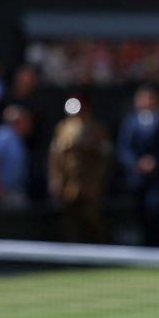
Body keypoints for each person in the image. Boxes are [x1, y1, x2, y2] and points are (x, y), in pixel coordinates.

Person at [117, 85, 159, 246]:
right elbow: (124, 149)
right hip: (137, 178)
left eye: (150, 97)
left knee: (157, 210)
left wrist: (155, 162)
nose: (147, 101)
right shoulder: (130, 122)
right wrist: (136, 164)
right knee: (139, 213)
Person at [48, 95, 112, 243]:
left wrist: (97, 180)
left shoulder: (96, 129)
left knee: (92, 217)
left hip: (89, 181)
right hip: (69, 182)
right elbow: (55, 156)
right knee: (69, 219)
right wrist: (56, 179)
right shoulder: (63, 128)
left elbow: (105, 156)